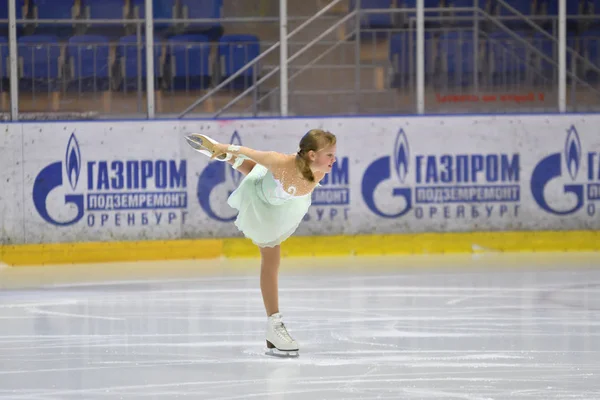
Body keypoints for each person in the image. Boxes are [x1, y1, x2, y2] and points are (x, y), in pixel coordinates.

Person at [185, 129, 337, 357]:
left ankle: (273, 328)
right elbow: (250, 152)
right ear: (312, 155)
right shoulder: (280, 161)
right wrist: (222, 148)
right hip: (262, 203)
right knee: (271, 259)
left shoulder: (320, 172)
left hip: (282, 200)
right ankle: (274, 324)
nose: (334, 160)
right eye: (330, 155)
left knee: (260, 175)